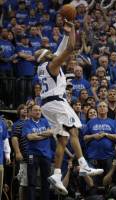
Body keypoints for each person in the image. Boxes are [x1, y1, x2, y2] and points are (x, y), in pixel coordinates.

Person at [35, 21, 103, 195]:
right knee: (73, 132)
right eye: (49, 52)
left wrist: (65, 33)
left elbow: (63, 46)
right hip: (57, 102)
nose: (53, 52)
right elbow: (71, 47)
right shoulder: (53, 64)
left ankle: (57, 174)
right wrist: (73, 27)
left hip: (47, 105)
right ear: (47, 56)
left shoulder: (45, 66)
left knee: (63, 139)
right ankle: (83, 165)